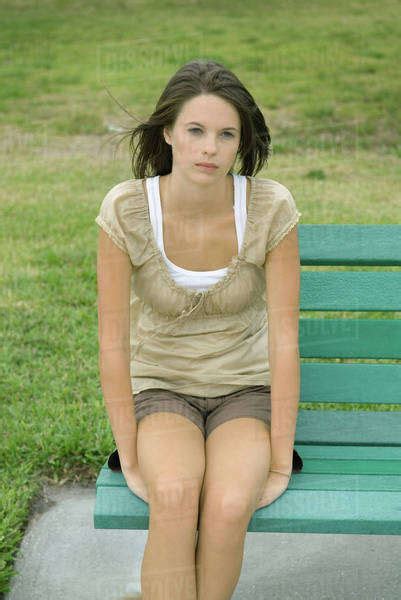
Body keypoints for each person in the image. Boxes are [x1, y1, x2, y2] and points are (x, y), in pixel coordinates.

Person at [95, 58, 303, 600]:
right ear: (168, 133)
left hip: (246, 389)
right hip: (163, 388)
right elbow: (112, 342)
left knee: (230, 503)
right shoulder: (127, 209)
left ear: (240, 142)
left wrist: (280, 460)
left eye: (226, 134)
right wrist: (131, 456)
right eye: (196, 130)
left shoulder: (268, 207)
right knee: (175, 492)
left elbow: (284, 340)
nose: (210, 147)